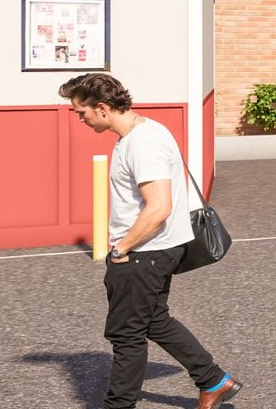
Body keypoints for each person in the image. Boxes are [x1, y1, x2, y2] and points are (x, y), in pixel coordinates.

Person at [61, 73, 241, 409]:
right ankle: (213, 380)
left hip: (144, 254)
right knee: (155, 320)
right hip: (155, 251)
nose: (80, 119)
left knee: (126, 336)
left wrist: (121, 248)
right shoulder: (145, 131)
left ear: (101, 108)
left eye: (80, 112)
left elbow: (159, 207)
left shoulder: (143, 143)